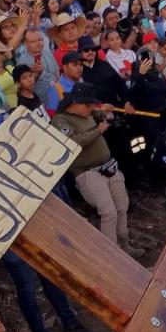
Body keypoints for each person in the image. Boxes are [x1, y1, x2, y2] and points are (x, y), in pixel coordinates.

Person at [50, 83, 130, 252]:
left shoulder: (87, 113)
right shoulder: (60, 120)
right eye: (88, 104)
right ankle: (112, 253)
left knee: (122, 206)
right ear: (77, 103)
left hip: (108, 166)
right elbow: (71, 142)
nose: (90, 108)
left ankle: (125, 244)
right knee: (109, 212)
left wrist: (103, 110)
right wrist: (97, 131)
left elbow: (98, 113)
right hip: (87, 173)